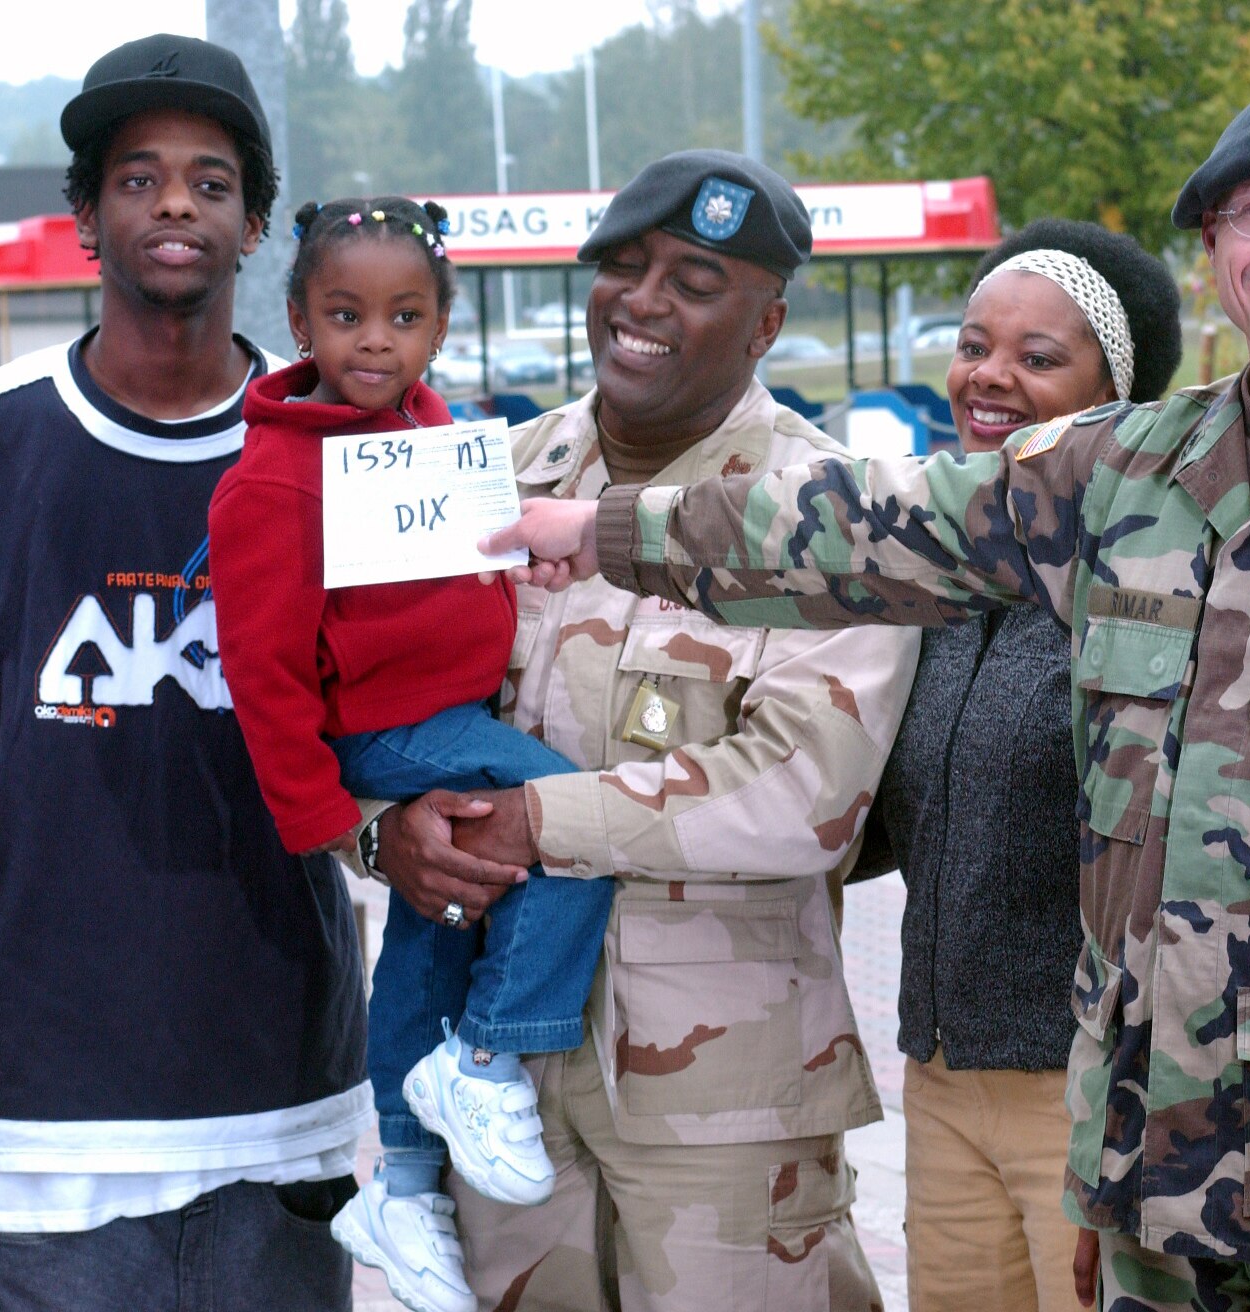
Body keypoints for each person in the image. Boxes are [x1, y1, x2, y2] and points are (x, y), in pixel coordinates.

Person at [486, 69, 1250, 1312]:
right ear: (1212, 251)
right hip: (1147, 1197)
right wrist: (597, 528)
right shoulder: (1118, 473)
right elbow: (866, 524)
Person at [0, 34, 368, 1311]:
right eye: (137, 177)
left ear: (253, 229)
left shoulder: (349, 449)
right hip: (44, 1110)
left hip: (277, 1080)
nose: (175, 201)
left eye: (210, 179)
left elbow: (415, 701)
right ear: (84, 218)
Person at [368, 148, 920, 1311]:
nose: (643, 301)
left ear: (766, 322)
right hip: (493, 1077)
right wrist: (381, 834)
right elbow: (358, 699)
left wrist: (528, 820)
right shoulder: (482, 480)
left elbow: (801, 793)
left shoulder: (833, 515)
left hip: (724, 1098)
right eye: (622, 266)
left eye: (694, 278)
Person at [207, 194, 615, 1312]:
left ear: (438, 326)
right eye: (345, 314)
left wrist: (507, 578)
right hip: (385, 734)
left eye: (402, 315)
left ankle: (405, 1180)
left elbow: (461, 575)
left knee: (439, 923)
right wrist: (331, 817)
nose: (374, 339)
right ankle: (483, 1061)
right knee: (572, 812)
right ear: (300, 321)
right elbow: (263, 672)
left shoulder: (438, 441)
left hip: (450, 716)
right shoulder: (269, 478)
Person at [853, 218, 1181, 1312]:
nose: (988, 377)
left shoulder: (1147, 584)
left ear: (1114, 394)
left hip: (1087, 1094)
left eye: (1037, 358)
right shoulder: (938, 571)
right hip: (941, 1075)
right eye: (972, 343)